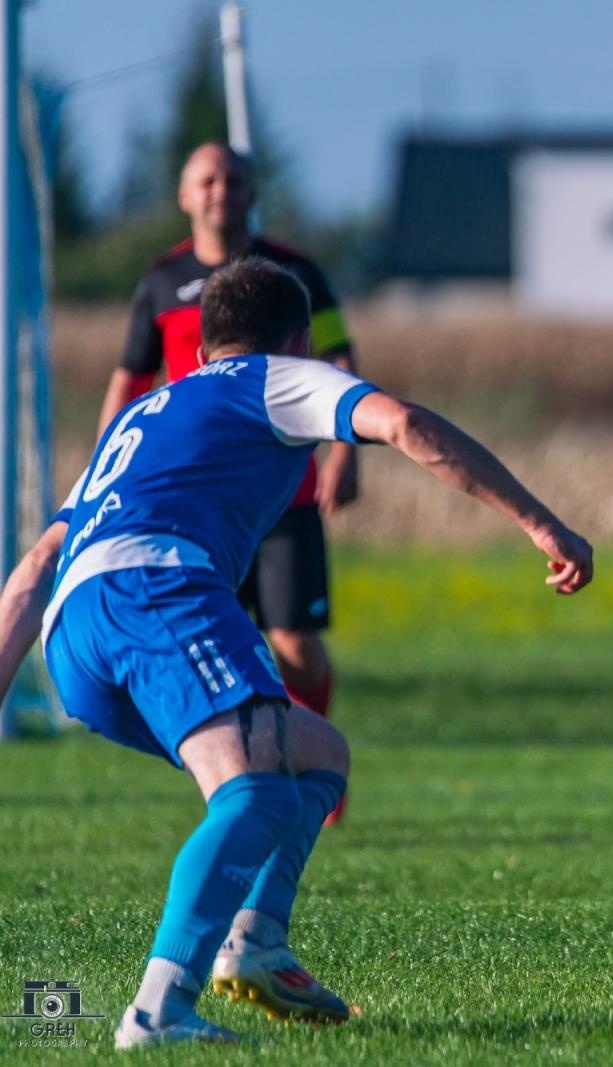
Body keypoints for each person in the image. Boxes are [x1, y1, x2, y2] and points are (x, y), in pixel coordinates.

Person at [0, 258, 594, 1047]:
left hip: (75, 639)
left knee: (318, 755)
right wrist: (541, 523)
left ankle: (257, 943)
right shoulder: (273, 378)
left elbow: (36, 565)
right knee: (255, 796)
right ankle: (157, 1008)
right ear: (297, 336)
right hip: (155, 589)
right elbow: (408, 426)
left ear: (204, 338)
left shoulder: (145, 415)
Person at [101, 142, 358, 822]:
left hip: (282, 497)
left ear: (252, 192)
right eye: (207, 179)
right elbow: (130, 384)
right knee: (225, 645)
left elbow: (338, 357)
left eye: (234, 178)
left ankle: (318, 758)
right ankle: (240, 780)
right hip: (193, 508)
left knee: (294, 643)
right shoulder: (160, 282)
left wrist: (343, 457)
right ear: (185, 195)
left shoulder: (296, 271)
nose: (221, 189)